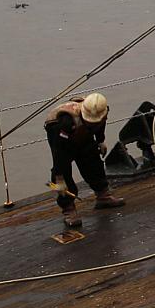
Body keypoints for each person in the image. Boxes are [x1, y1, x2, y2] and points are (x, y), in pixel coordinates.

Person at [44, 92, 125, 229]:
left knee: (93, 160)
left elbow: (100, 125)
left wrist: (100, 141)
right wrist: (58, 176)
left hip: (84, 134)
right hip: (62, 139)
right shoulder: (64, 122)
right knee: (62, 173)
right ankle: (68, 208)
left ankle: (102, 195)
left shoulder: (101, 111)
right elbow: (59, 153)